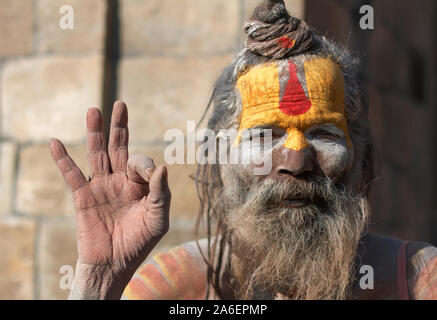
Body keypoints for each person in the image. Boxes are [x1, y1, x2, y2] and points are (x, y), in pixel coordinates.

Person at [50, 0, 437, 300]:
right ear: (223, 160)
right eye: (264, 136)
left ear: (361, 158)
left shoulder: (419, 281)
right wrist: (100, 277)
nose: (296, 162)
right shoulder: (176, 286)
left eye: (323, 134)